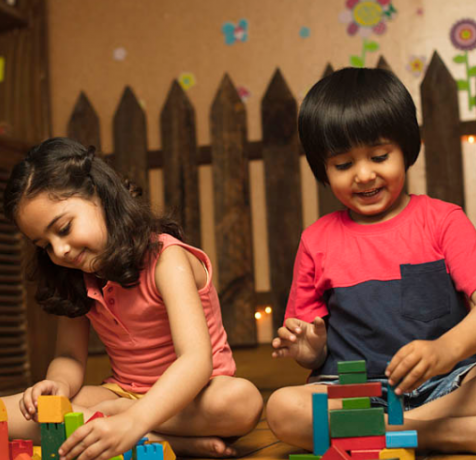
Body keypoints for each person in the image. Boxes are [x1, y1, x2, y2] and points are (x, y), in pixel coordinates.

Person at [2, 137, 263, 459]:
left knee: (242, 401)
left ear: (101, 195)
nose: (60, 250)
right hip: (121, 395)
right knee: (10, 411)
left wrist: (132, 417)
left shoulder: (167, 259)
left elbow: (196, 361)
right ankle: (156, 439)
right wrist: (58, 385)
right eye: (45, 245)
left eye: (64, 228)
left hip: (193, 397)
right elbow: (69, 356)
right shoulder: (73, 278)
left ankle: (130, 427)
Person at [266, 67, 476, 453]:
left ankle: (392, 430)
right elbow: (313, 353)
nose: (364, 175)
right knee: (283, 408)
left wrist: (444, 351)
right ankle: (436, 432)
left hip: (448, 383)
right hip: (356, 394)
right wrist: (309, 349)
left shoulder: (444, 220)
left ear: (405, 148)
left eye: (379, 156)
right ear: (323, 168)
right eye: (343, 165)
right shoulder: (316, 241)